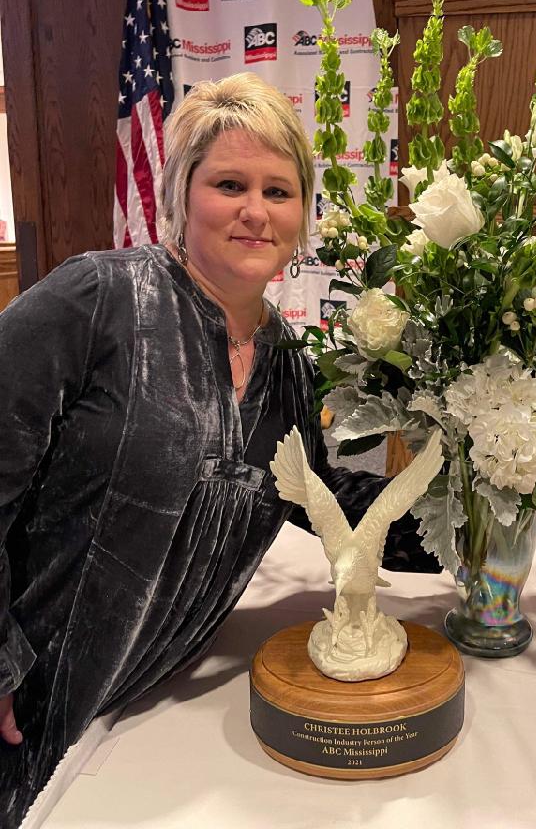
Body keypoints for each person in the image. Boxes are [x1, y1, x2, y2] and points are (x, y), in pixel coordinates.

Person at [0, 73, 436, 826]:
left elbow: (321, 500)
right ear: (181, 193)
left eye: (279, 191)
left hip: (135, 723)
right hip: (22, 710)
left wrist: (471, 516)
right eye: (230, 183)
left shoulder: (288, 366)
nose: (255, 211)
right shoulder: (97, 300)